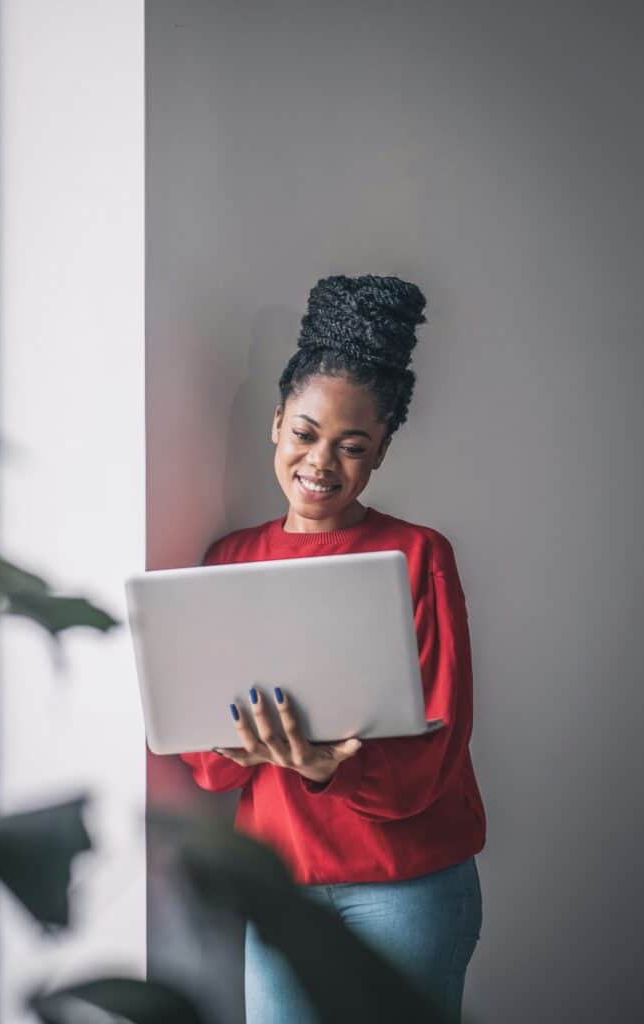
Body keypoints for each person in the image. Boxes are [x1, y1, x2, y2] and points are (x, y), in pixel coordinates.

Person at [180, 274, 486, 1023]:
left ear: (380, 452)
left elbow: (437, 743)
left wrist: (327, 771)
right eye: (305, 433)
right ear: (276, 422)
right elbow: (201, 746)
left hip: (407, 885)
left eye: (352, 446)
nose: (321, 462)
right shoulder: (228, 560)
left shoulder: (417, 556)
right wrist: (240, 752)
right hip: (281, 884)